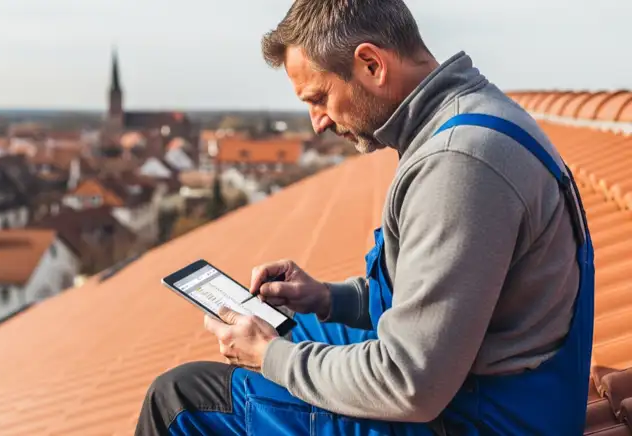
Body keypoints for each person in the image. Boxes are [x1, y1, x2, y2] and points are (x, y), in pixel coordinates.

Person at [135, 0, 594, 434]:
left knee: (180, 399)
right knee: (294, 326)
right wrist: (327, 299)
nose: (317, 121)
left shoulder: (459, 164)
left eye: (319, 97)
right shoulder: (469, 117)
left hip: (481, 421)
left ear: (371, 64)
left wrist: (270, 356)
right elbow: (443, 299)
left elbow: (410, 384)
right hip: (474, 390)